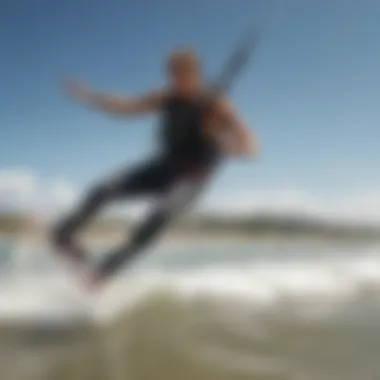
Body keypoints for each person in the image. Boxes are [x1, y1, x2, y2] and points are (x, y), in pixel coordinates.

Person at [52, 48, 259, 289]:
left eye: (185, 74)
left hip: (191, 179)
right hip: (164, 167)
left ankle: (104, 271)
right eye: (175, 75)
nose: (179, 80)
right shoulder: (166, 98)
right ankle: (65, 235)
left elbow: (250, 144)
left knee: (155, 220)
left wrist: (230, 144)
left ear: (197, 74)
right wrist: (91, 97)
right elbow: (128, 107)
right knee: (103, 189)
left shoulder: (219, 106)